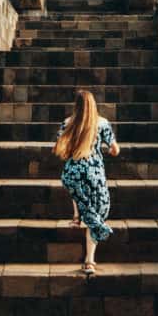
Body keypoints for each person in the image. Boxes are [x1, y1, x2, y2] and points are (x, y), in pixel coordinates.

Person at [53, 90, 120, 276]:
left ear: (77, 106)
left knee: (77, 184)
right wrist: (105, 151)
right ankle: (89, 261)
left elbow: (60, 148)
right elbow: (115, 150)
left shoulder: (68, 123)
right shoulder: (102, 123)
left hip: (72, 173)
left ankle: (76, 216)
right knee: (96, 212)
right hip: (95, 174)